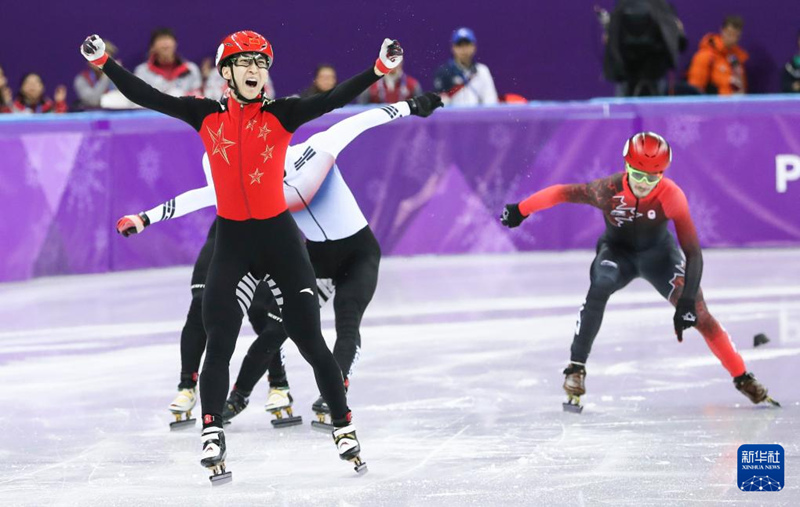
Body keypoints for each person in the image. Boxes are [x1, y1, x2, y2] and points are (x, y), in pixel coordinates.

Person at [81, 30, 403, 483]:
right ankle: (212, 431)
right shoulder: (205, 115)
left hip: (281, 243)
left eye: (261, 64)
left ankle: (343, 424)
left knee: (309, 338)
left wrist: (377, 70)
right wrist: (104, 64)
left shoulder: (283, 113)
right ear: (226, 73)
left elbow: (332, 99)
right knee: (220, 338)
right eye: (245, 63)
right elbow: (146, 95)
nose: (255, 71)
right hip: (232, 244)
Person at [116, 94, 443, 431]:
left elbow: (362, 121)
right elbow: (201, 196)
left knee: (347, 320)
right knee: (277, 328)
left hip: (359, 254)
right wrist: (145, 218)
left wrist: (412, 106)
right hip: (317, 258)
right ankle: (239, 396)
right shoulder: (256, 182)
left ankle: (334, 391)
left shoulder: (318, 148)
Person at [500, 132, 777, 413]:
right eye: (638, 175)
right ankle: (576, 368)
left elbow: (693, 252)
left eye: (652, 178)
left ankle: (743, 377)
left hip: (660, 258)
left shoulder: (671, 195)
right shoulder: (606, 189)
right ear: (626, 167)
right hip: (617, 255)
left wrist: (686, 302)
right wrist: (521, 210)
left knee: (700, 314)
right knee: (600, 286)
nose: (644, 184)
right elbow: (561, 192)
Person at [602, 0, 687, 97]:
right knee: (657, 104)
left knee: (623, 104)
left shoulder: (620, 6)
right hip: (654, 71)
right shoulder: (662, 7)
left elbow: (611, 41)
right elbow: (679, 43)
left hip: (628, 71)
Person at [433, 27, 498, 106]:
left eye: (467, 44)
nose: (463, 49)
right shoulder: (444, 72)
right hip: (453, 113)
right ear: (453, 48)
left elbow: (490, 100)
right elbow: (438, 104)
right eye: (459, 45)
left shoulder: (482, 70)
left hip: (478, 113)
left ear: (474, 47)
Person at [687, 15, 748, 95]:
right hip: (714, 102)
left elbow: (741, 88)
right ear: (722, 30)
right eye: (729, 34)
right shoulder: (705, 56)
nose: (732, 39)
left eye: (736, 35)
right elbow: (695, 90)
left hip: (735, 101)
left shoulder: (737, 59)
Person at [133, 28, 202, 97]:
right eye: (160, 40)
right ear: (152, 47)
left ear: (176, 44)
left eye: (168, 39)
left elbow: (197, 95)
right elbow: (139, 95)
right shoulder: (142, 71)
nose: (165, 44)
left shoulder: (191, 69)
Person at [74, 40, 118, 110]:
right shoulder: (81, 79)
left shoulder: (118, 76)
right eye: (97, 58)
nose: (102, 62)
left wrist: (120, 74)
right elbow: (93, 101)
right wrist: (107, 74)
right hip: (91, 115)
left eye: (106, 59)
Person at [358, 62, 422, 104]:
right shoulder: (371, 86)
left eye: (396, 62)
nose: (393, 65)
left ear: (401, 63)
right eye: (390, 62)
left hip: (404, 121)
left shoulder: (412, 85)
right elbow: (361, 111)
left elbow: (419, 110)